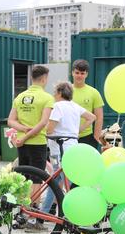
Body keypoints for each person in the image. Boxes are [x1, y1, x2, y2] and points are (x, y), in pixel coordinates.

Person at [8, 65, 54, 230]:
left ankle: (21, 213)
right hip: (37, 143)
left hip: (21, 144)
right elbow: (43, 123)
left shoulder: (20, 97)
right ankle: (33, 216)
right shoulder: (47, 98)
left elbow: (10, 121)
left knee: (25, 177)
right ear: (43, 79)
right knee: (37, 179)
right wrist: (28, 134)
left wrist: (22, 132)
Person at [41, 81, 96, 214]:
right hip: (73, 149)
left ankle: (72, 212)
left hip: (59, 151)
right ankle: (46, 213)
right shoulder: (75, 106)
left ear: (60, 93)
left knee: (57, 184)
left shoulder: (57, 106)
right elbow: (92, 117)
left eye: (55, 92)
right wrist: (76, 131)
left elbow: (50, 129)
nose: (54, 95)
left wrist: (39, 129)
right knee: (60, 182)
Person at [70, 59, 104, 149]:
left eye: (82, 73)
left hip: (87, 137)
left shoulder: (94, 92)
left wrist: (96, 138)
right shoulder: (66, 91)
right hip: (68, 137)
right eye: (77, 73)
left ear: (86, 74)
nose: (79, 76)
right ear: (72, 73)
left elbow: (99, 117)